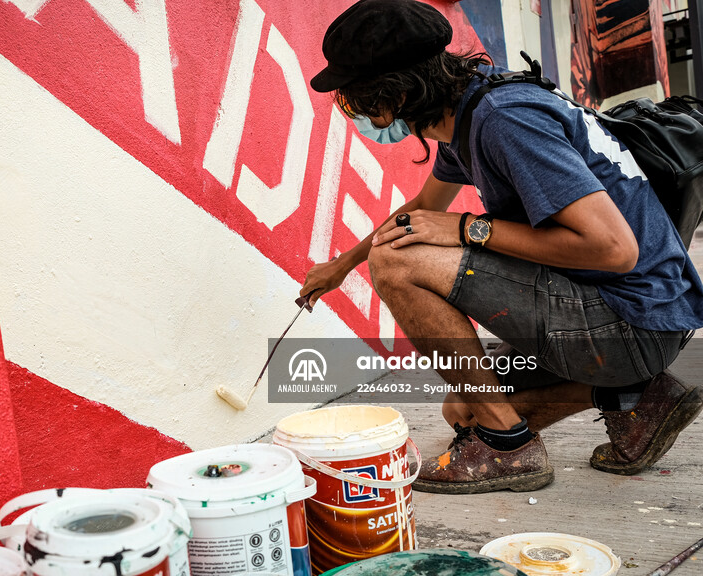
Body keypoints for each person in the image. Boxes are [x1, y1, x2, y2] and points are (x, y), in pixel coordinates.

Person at [301, 0, 703, 494]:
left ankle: (508, 449)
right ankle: (640, 398)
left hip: (630, 320)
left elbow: (613, 249)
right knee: (464, 407)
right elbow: (422, 206)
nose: (357, 114)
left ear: (399, 92)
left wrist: (470, 228)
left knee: (397, 262)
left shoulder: (505, 120)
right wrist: (342, 264)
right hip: (634, 314)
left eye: (355, 102)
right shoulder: (467, 108)